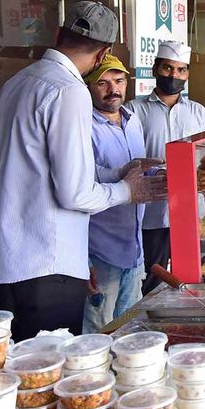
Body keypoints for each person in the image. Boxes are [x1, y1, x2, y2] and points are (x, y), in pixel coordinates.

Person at [0, 1, 165, 340]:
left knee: (29, 373)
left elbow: (38, 167)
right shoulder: (68, 90)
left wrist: (117, 175)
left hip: (14, 263)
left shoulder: (18, 82)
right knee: (55, 375)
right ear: (103, 55)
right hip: (50, 264)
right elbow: (75, 192)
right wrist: (129, 190)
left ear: (58, 34)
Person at [126, 41, 205, 295]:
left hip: (191, 213)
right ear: (155, 68)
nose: (174, 75)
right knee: (153, 279)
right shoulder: (134, 110)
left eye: (181, 70)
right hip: (151, 214)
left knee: (194, 278)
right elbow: (127, 160)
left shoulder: (198, 113)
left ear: (187, 74)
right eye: (168, 68)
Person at [82, 55, 147, 333]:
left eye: (119, 81)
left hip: (134, 250)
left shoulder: (133, 121)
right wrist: (82, 262)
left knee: (132, 332)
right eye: (103, 83)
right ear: (88, 87)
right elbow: (78, 190)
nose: (113, 89)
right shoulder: (83, 126)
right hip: (101, 253)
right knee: (100, 334)